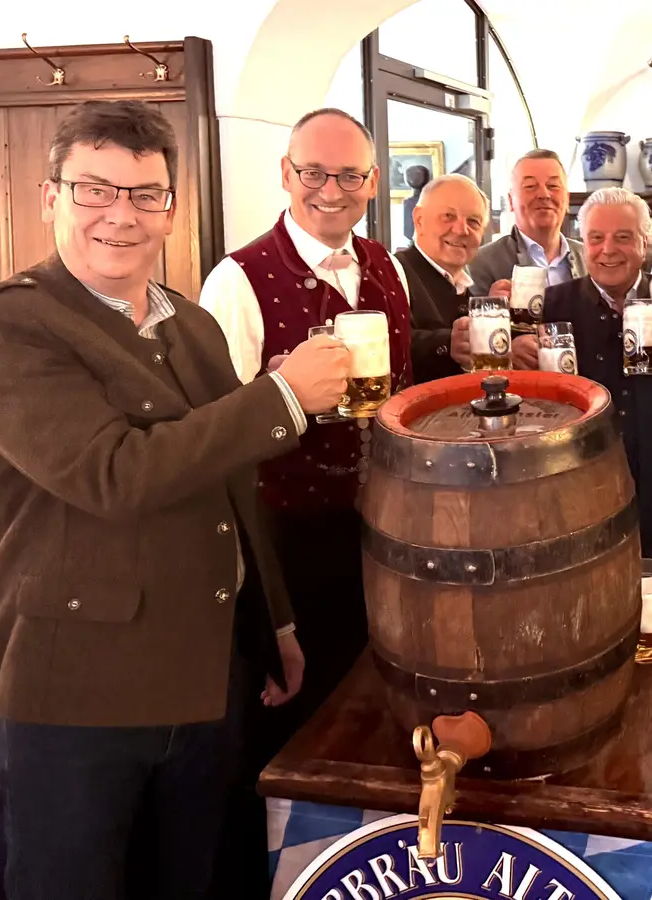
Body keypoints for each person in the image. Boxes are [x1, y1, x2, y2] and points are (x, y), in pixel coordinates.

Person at [0, 99, 352, 900]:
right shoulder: (3, 329)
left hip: (207, 677)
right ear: (50, 198)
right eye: (94, 190)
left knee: (199, 882)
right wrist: (282, 397)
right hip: (76, 696)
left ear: (170, 208)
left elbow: (232, 484)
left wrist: (274, 621)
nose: (121, 215)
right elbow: (114, 473)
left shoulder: (192, 325)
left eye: (144, 194)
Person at [199, 106, 413, 895]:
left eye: (349, 175)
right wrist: (277, 391)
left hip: (378, 529)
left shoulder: (385, 267)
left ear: (372, 182)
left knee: (368, 709)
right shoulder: (237, 279)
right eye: (313, 172)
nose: (331, 189)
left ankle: (361, 871)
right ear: (285, 175)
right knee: (291, 724)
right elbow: (213, 433)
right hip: (281, 538)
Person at [539, 188, 652, 568]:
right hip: (578, 483)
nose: (608, 250)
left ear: (646, 244)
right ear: (583, 245)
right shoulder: (552, 306)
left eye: (623, 237)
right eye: (596, 238)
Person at [400, 174, 538, 379]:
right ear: (419, 219)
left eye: (473, 222)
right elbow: (383, 344)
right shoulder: (393, 272)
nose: (461, 230)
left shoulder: (465, 287)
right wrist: (447, 343)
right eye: (448, 216)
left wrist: (500, 329)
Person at [468, 149, 586, 290]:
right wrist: (494, 302)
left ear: (567, 199)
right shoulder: (481, 263)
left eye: (553, 186)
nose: (544, 194)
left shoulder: (589, 259)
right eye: (530, 186)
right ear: (511, 201)